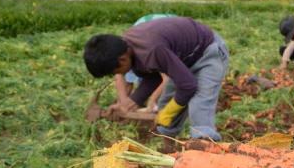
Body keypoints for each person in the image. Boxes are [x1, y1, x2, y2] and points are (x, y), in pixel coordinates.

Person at [83, 16, 230, 141]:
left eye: (115, 71)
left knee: (200, 104)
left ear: (122, 60)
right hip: (183, 60)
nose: (119, 75)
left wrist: (168, 113)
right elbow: (153, 77)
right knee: (167, 101)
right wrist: (132, 102)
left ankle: (205, 147)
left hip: (208, 52)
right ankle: (168, 145)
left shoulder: (152, 49)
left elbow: (188, 86)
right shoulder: (129, 48)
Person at [114, 14, 176, 113]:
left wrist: (153, 99)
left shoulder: (151, 50)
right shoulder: (124, 53)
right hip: (149, 37)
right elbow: (122, 77)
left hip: (173, 37)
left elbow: (168, 79)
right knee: (140, 93)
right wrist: (122, 102)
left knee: (165, 97)